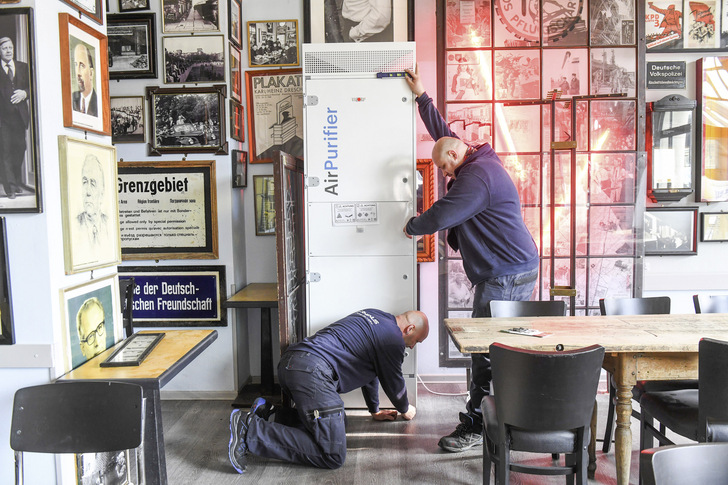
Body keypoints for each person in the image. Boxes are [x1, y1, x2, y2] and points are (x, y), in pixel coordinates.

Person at [402, 64, 539, 453]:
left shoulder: (475, 178)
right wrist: (422, 97)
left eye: (444, 168)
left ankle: (479, 426)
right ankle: (505, 418)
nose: (445, 175)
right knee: (501, 348)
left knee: (485, 350)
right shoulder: (473, 158)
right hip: (514, 267)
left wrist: (411, 226)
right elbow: (443, 136)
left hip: (505, 275)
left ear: (457, 156)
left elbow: (442, 214)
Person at [228, 308, 429, 472]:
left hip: (291, 365)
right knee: (332, 454)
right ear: (409, 329)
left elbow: (372, 372)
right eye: (416, 342)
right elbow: (394, 383)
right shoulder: (393, 340)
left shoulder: (375, 315)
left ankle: (271, 416)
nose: (412, 347)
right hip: (312, 374)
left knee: (340, 421)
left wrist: (374, 410)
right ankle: (250, 431)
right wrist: (405, 408)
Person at [0, 36, 30, 199]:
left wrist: (25, 93)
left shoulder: (23, 67)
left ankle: (16, 181)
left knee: (20, 148)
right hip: (3, 120)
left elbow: (34, 86)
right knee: (5, 151)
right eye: (4, 48)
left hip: (19, 118)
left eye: (10, 47)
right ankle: (10, 187)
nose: (8, 50)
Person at [77, 154, 109, 250]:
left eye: (93, 184)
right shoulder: (76, 225)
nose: (88, 192)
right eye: (85, 182)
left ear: (102, 192)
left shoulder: (108, 224)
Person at [72, 43, 98, 116]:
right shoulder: (70, 99)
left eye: (82, 65)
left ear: (91, 73)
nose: (78, 73)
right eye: (76, 65)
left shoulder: (99, 104)